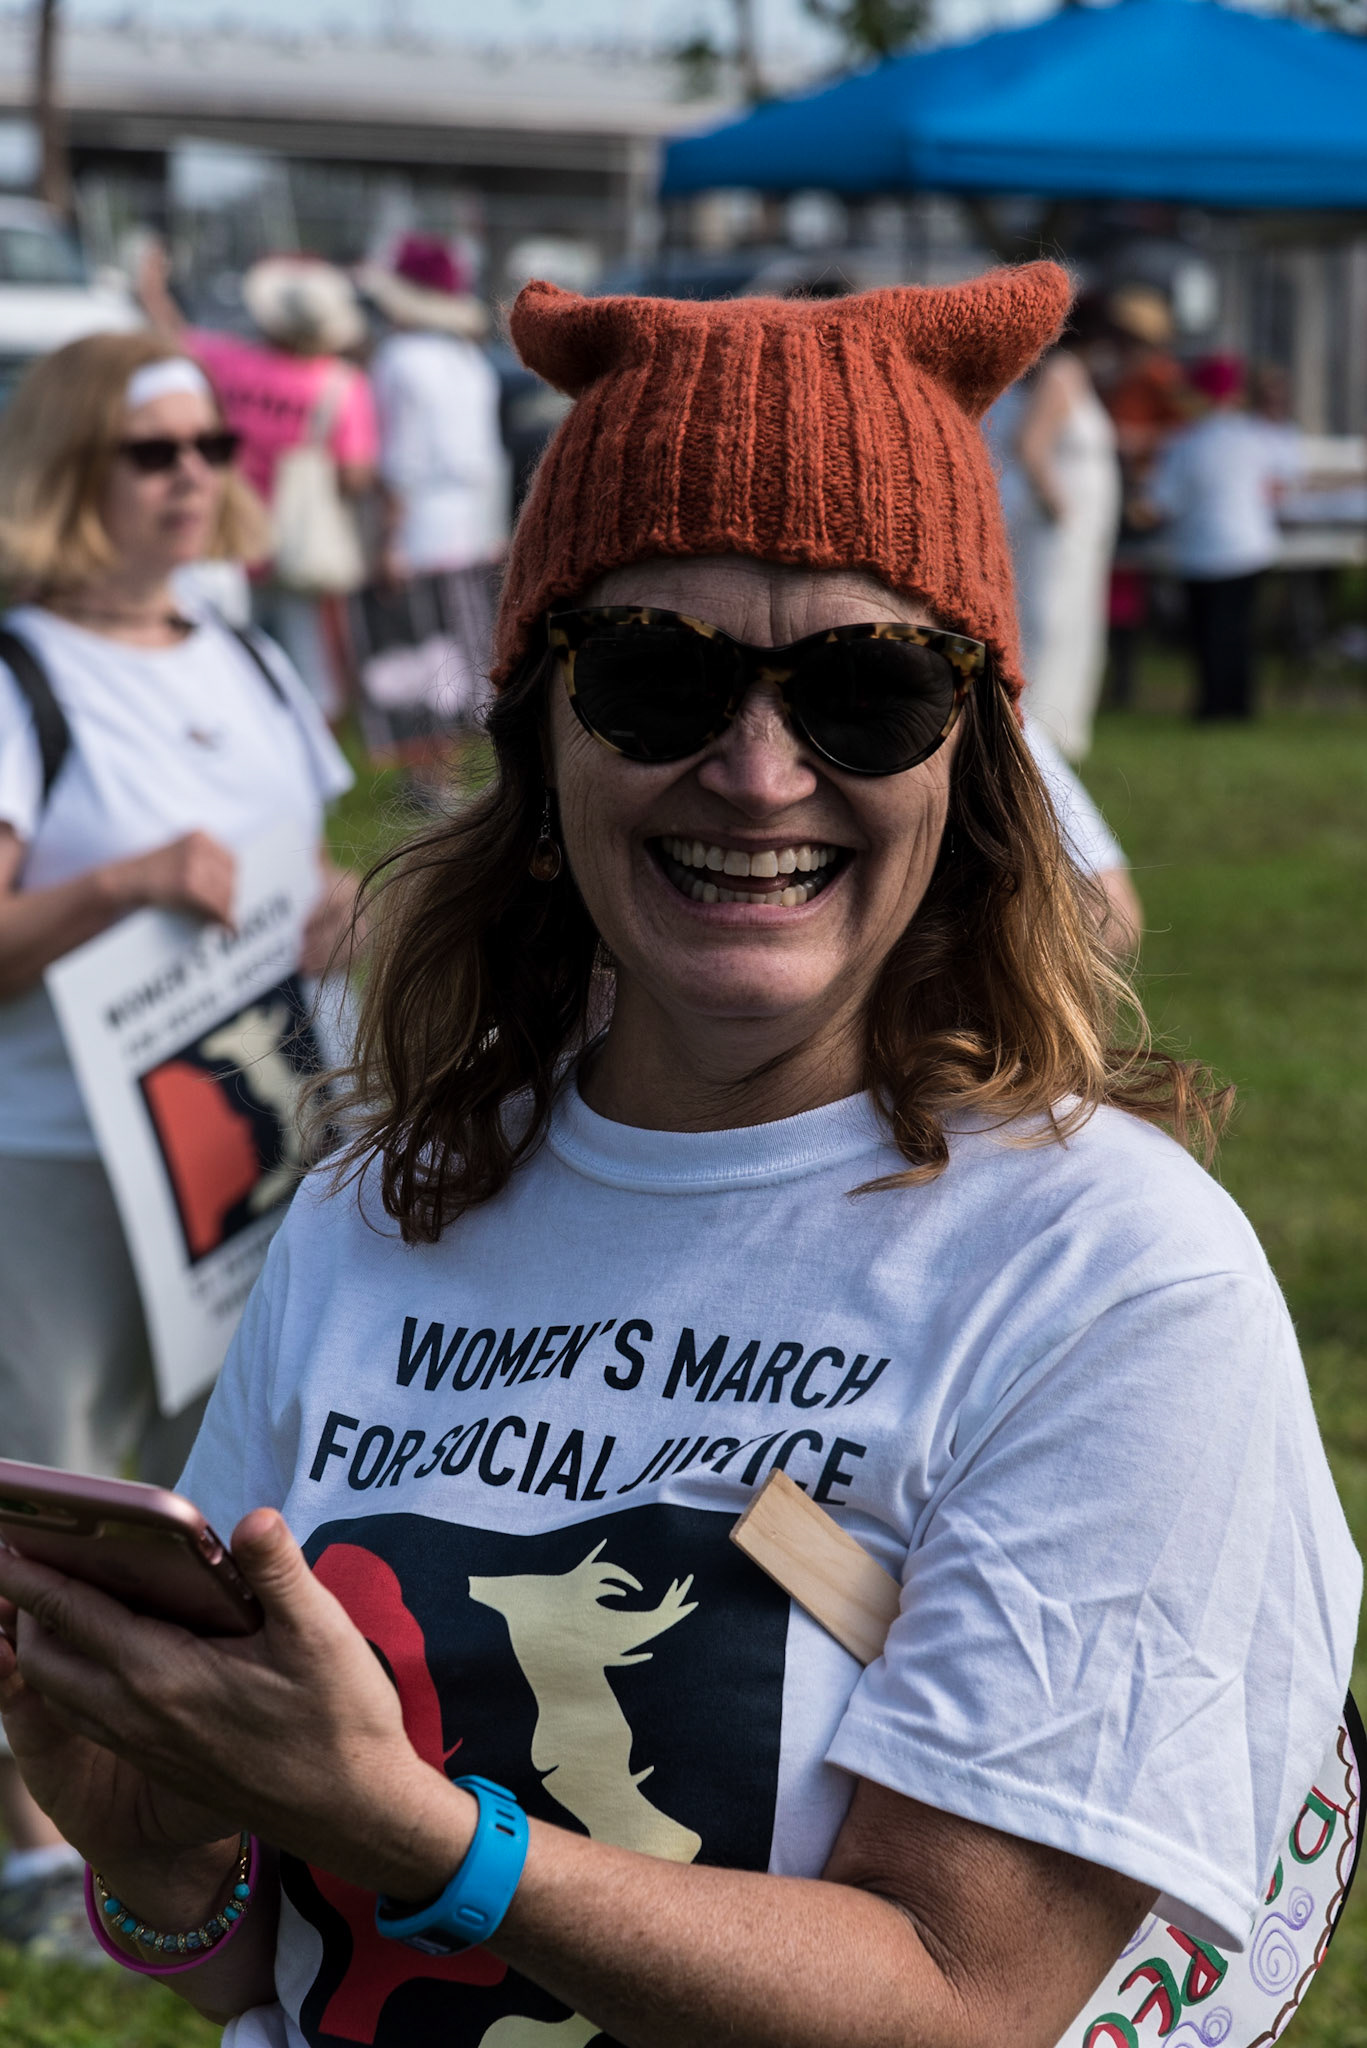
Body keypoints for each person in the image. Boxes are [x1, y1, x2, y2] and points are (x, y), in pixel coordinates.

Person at [0, 270, 1356, 2048]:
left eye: (866, 691)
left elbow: (968, 1998)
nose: (759, 769)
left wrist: (416, 1829)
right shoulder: (372, 1215)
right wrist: (160, 1839)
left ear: (973, 765)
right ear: (539, 737)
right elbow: (270, 1952)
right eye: (656, 677)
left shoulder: (1105, 1271)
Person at [0, 330, 358, 1952]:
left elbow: (312, 864)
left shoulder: (250, 650)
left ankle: (180, 1811)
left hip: (247, 1140)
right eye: (157, 451)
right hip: (59, 1152)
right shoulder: (19, 672)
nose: (198, 474)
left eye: (214, 444)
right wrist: (122, 884)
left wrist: (344, 910)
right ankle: (32, 1842)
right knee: (55, 1492)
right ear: (76, 471)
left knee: (215, 1497)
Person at [139, 247, 379, 718]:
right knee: (308, 675)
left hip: (222, 537)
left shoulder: (228, 363)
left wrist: (151, 286)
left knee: (219, 661)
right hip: (298, 551)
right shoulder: (341, 386)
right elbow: (355, 476)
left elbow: (169, 336)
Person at [350, 235, 510, 775]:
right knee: (469, 657)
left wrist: (388, 540)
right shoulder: (470, 359)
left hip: (420, 531)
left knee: (422, 658)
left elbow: (401, 461)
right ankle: (472, 777)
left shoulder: (399, 359)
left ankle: (431, 782)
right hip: (472, 526)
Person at [995, 295, 1122, 761]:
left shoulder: (1075, 377)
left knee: (1070, 621)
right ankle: (1036, 728)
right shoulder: (1062, 373)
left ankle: (1059, 728)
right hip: (1056, 527)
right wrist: (1058, 505)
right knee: (1047, 620)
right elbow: (1030, 442)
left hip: (1078, 532)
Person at [1145, 353, 1302, 721]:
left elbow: (1161, 502)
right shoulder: (1256, 437)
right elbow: (1280, 488)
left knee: (1208, 633)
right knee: (1239, 632)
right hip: (1250, 546)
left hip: (1200, 550)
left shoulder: (1184, 443)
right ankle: (1240, 705)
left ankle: (1213, 706)